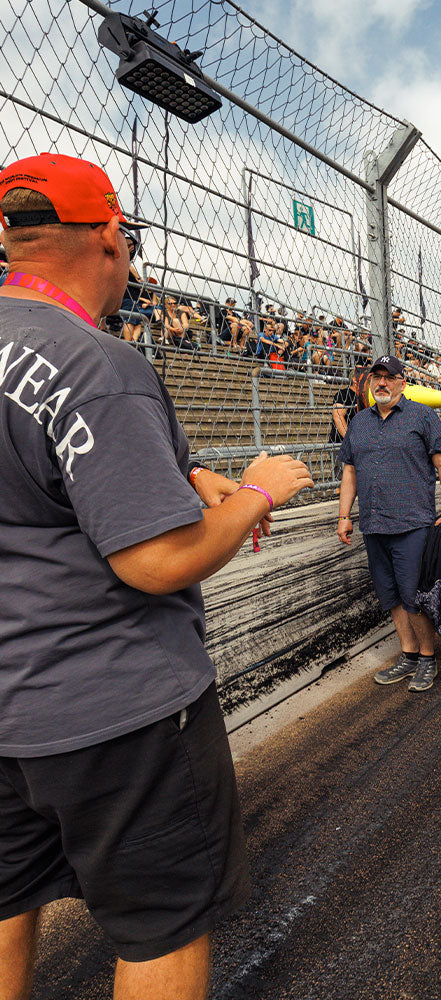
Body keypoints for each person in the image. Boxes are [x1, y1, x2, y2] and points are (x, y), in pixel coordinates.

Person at [0, 152, 314, 999]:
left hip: (8, 701)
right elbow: (158, 560)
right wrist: (256, 491)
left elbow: (44, 483)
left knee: (5, 899)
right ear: (108, 233)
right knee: (163, 922)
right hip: (115, 704)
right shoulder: (94, 361)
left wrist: (187, 476)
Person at [336, 355, 441, 694]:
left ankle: (428, 657)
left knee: (413, 595)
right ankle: (408, 654)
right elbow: (349, 470)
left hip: (412, 524)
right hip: (373, 524)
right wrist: (344, 514)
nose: (382, 383)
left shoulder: (422, 415)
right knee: (389, 595)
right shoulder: (359, 422)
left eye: (389, 377)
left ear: (402, 382)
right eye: (376, 377)